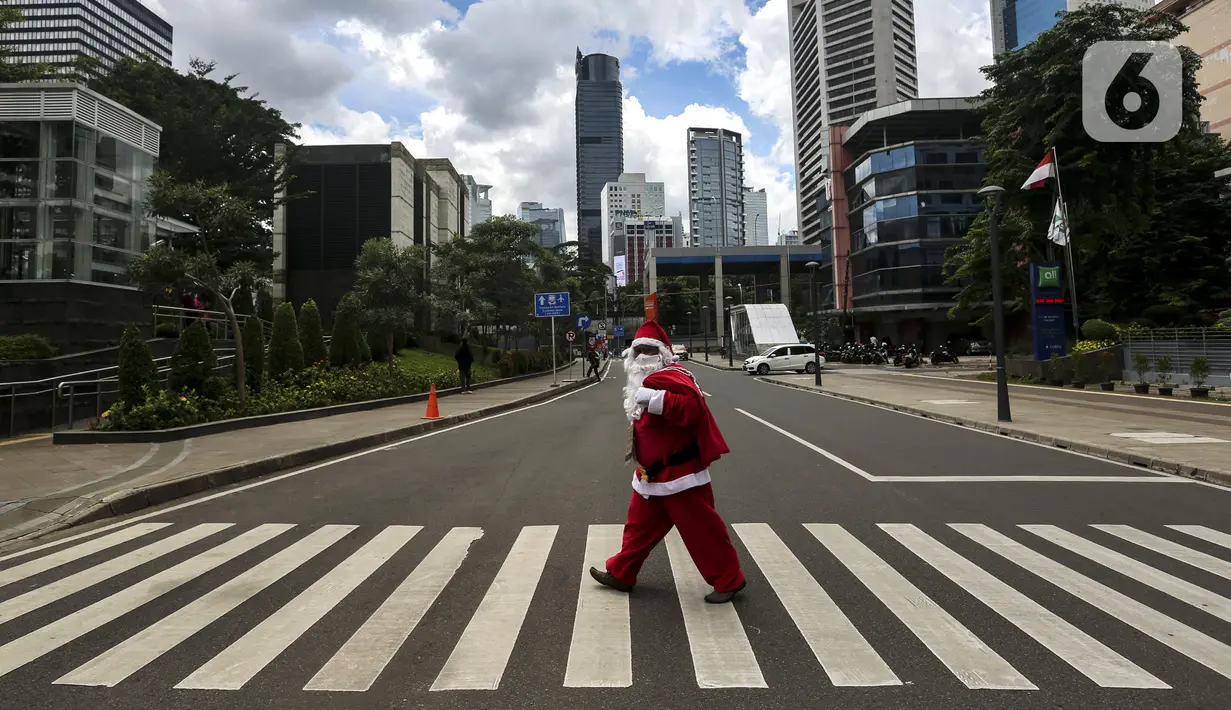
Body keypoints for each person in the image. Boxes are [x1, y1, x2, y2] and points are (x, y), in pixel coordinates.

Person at [589, 320, 747, 604]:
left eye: (650, 350)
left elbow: (693, 410)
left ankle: (729, 580)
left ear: (662, 352)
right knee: (638, 529)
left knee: (702, 531)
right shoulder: (644, 379)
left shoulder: (672, 375)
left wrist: (655, 398)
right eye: (638, 351)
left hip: (680, 474)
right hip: (651, 475)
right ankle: (622, 573)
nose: (643, 357)